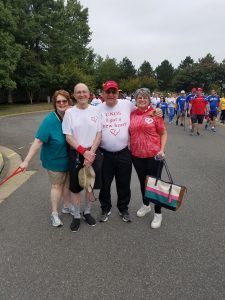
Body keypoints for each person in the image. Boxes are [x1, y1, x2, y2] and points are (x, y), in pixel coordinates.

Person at [98, 81, 162, 223]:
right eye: (108, 92)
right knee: (105, 184)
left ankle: (123, 208)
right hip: (105, 153)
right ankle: (105, 207)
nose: (111, 94)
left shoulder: (126, 105)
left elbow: (143, 107)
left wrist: (156, 110)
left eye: (113, 92)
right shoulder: (97, 109)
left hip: (124, 153)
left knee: (124, 183)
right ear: (103, 94)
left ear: (117, 93)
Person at [19, 90, 73, 227]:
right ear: (55, 104)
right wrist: (26, 161)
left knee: (67, 184)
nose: (61, 103)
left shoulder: (71, 115)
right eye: (58, 101)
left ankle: (67, 206)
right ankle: (54, 213)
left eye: (64, 101)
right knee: (57, 186)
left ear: (69, 102)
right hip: (54, 160)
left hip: (69, 158)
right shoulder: (49, 120)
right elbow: (38, 141)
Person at [62, 83, 102, 232]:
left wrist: (91, 153)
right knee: (75, 187)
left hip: (93, 153)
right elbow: (68, 136)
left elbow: (99, 133)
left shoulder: (96, 110)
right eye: (78, 92)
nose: (81, 94)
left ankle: (87, 212)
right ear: (74, 95)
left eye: (84, 92)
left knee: (89, 184)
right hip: (76, 154)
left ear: (89, 94)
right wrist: (83, 152)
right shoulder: (70, 113)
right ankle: (77, 215)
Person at [129, 88, 167, 229]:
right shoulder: (132, 114)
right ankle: (146, 205)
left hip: (154, 156)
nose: (142, 99)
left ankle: (158, 213)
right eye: (139, 97)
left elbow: (163, 133)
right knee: (142, 182)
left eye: (145, 97)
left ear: (149, 99)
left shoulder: (156, 114)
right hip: (137, 155)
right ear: (136, 100)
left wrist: (162, 150)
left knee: (154, 185)